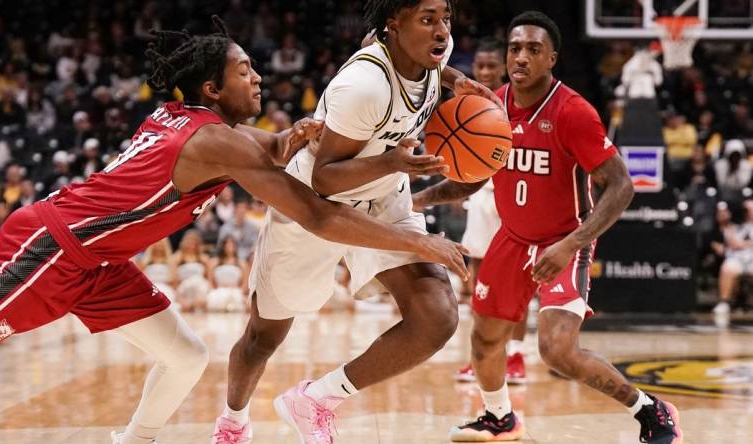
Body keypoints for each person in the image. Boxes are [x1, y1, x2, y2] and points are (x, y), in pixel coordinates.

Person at [0, 17, 468, 444]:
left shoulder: (200, 123)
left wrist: (293, 136)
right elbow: (316, 214)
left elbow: (268, 149)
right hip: (55, 246)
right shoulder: (216, 142)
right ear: (213, 89)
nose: (258, 79)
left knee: (185, 356)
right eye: (244, 71)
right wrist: (418, 241)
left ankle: (135, 440)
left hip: (101, 263)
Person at [212, 1, 499, 443]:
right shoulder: (363, 86)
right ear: (394, 24)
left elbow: (423, 66)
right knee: (263, 337)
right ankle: (232, 423)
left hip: (383, 188)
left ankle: (316, 400)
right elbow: (326, 179)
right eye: (428, 20)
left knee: (436, 316)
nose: (442, 30)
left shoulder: (432, 51)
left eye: (445, 18)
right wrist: (392, 162)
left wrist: (459, 82)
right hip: (314, 199)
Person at [412, 11, 682, 443]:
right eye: (514, 48)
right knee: (484, 340)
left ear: (551, 58)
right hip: (512, 238)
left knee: (556, 350)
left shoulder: (574, 112)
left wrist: (569, 245)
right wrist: (421, 197)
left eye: (533, 50)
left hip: (564, 240)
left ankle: (650, 410)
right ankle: (499, 417)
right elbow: (477, 173)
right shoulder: (493, 105)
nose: (520, 57)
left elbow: (622, 186)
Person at [451, 37, 527, 386]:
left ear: (504, 67)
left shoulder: (518, 101)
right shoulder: (466, 103)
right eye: (478, 66)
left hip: (514, 199)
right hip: (481, 196)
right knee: (479, 281)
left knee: (516, 284)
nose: (483, 72)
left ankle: (516, 356)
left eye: (490, 66)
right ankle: (480, 358)